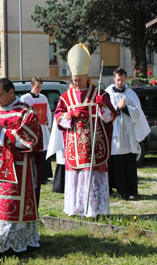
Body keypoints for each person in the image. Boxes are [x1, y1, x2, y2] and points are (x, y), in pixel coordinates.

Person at [0, 78, 43, 261]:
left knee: (11, 206)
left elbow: (30, 140)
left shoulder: (25, 113)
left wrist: (3, 132)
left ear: (11, 92)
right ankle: (9, 243)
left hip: (18, 168)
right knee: (1, 207)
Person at [54, 43, 117, 218]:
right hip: (75, 142)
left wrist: (102, 106)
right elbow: (58, 117)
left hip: (94, 143)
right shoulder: (66, 97)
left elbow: (110, 116)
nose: (76, 83)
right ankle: (76, 209)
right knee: (76, 176)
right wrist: (69, 115)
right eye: (74, 80)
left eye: (79, 79)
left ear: (86, 76)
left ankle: (96, 209)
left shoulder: (99, 93)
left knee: (94, 175)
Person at [105, 68, 150, 200]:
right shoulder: (107, 93)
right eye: (118, 80)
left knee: (128, 163)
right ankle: (116, 189)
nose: (120, 82)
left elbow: (137, 113)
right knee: (115, 163)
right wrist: (118, 107)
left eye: (122, 80)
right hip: (114, 135)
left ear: (126, 79)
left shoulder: (131, 94)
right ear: (114, 79)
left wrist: (126, 108)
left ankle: (131, 191)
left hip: (128, 133)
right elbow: (105, 113)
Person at [20, 77, 53, 187]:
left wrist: (47, 120)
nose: (39, 89)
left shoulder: (43, 97)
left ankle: (44, 176)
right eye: (37, 87)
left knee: (44, 151)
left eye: (40, 87)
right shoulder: (25, 98)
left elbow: (47, 110)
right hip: (31, 129)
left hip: (42, 127)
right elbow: (22, 112)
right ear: (32, 86)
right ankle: (32, 174)